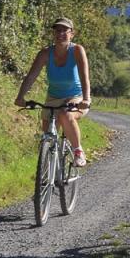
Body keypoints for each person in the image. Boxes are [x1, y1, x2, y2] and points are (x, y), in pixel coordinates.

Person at [15, 17, 91, 167]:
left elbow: (84, 77)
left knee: (65, 114)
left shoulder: (77, 50)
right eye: (57, 30)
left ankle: (78, 151)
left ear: (72, 34)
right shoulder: (45, 53)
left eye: (64, 30)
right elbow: (31, 76)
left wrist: (86, 99)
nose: (60, 33)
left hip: (75, 97)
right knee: (48, 138)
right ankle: (48, 173)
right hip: (53, 98)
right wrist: (20, 97)